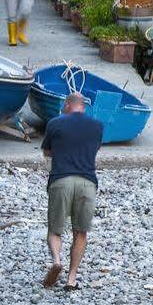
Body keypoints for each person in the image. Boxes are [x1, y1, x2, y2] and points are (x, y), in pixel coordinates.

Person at [40, 91, 102, 290]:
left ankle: (57, 260)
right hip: (87, 183)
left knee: (55, 230)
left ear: (67, 105)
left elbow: (47, 152)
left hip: (61, 180)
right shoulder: (96, 126)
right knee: (80, 232)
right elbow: (94, 149)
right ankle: (71, 279)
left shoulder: (55, 123)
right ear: (83, 107)